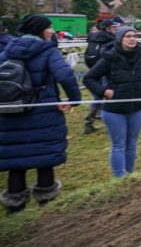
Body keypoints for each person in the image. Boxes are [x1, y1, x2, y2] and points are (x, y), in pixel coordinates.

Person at [0, 15, 81, 214]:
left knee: (15, 162)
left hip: (11, 112)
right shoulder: (48, 50)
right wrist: (73, 99)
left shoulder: (8, 50)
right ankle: (47, 206)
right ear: (40, 30)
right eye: (49, 27)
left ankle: (15, 206)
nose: (52, 31)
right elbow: (65, 74)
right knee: (44, 159)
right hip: (43, 113)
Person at [83, 26, 141, 178]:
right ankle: (119, 180)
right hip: (114, 110)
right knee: (118, 145)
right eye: (128, 36)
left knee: (132, 144)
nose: (132, 38)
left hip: (138, 108)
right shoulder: (110, 57)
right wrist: (104, 91)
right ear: (120, 39)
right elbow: (89, 78)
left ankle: (129, 176)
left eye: (134, 36)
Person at [82, 19, 119, 134]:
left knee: (101, 95)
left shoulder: (93, 36)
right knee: (102, 94)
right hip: (104, 70)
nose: (115, 29)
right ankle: (89, 122)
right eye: (113, 27)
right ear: (107, 28)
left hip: (92, 68)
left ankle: (101, 115)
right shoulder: (110, 39)